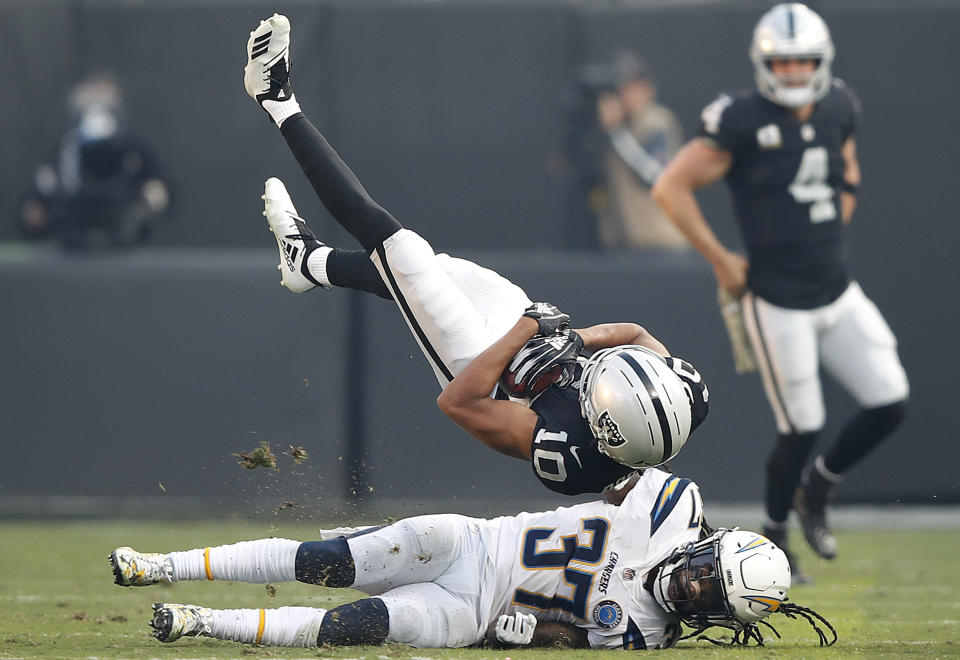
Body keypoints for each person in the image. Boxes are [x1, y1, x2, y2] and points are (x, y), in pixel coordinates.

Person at [242, 15, 709, 499]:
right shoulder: (684, 394)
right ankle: (311, 263)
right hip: (529, 338)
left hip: (482, 372)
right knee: (434, 271)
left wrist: (530, 329)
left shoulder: (566, 453)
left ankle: (277, 100)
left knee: (403, 251)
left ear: (606, 434)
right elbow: (634, 334)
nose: (598, 375)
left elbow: (457, 402)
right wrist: (575, 339)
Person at [652, 3, 909, 574]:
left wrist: (831, 228)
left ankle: (816, 488)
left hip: (837, 289)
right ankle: (775, 536)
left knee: (890, 401)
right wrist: (720, 259)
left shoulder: (841, 103)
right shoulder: (740, 119)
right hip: (777, 298)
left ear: (822, 63)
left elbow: (847, 167)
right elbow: (671, 187)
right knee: (802, 425)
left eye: (803, 62)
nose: (793, 73)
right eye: (783, 62)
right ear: (764, 64)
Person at [109, 466, 835, 650]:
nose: (696, 587)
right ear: (711, 543)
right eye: (710, 572)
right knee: (321, 559)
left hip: (470, 613)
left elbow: (568, 637)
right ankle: (161, 564)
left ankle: (198, 621)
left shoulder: (646, 635)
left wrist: (518, 632)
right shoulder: (671, 503)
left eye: (712, 598)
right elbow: (613, 459)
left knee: (353, 628)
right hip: (471, 540)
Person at [18, 73, 172, 249]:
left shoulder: (133, 153)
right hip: (72, 243)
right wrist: (38, 209)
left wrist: (152, 199)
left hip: (127, 243)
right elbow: (37, 200)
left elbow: (160, 191)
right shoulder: (65, 151)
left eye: (104, 100)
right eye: (90, 100)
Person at [593, 51, 688, 250]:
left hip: (660, 242)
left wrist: (616, 132)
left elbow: (653, 176)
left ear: (647, 88)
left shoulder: (657, 122)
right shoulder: (616, 125)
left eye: (631, 88)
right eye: (620, 90)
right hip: (625, 242)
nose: (625, 96)